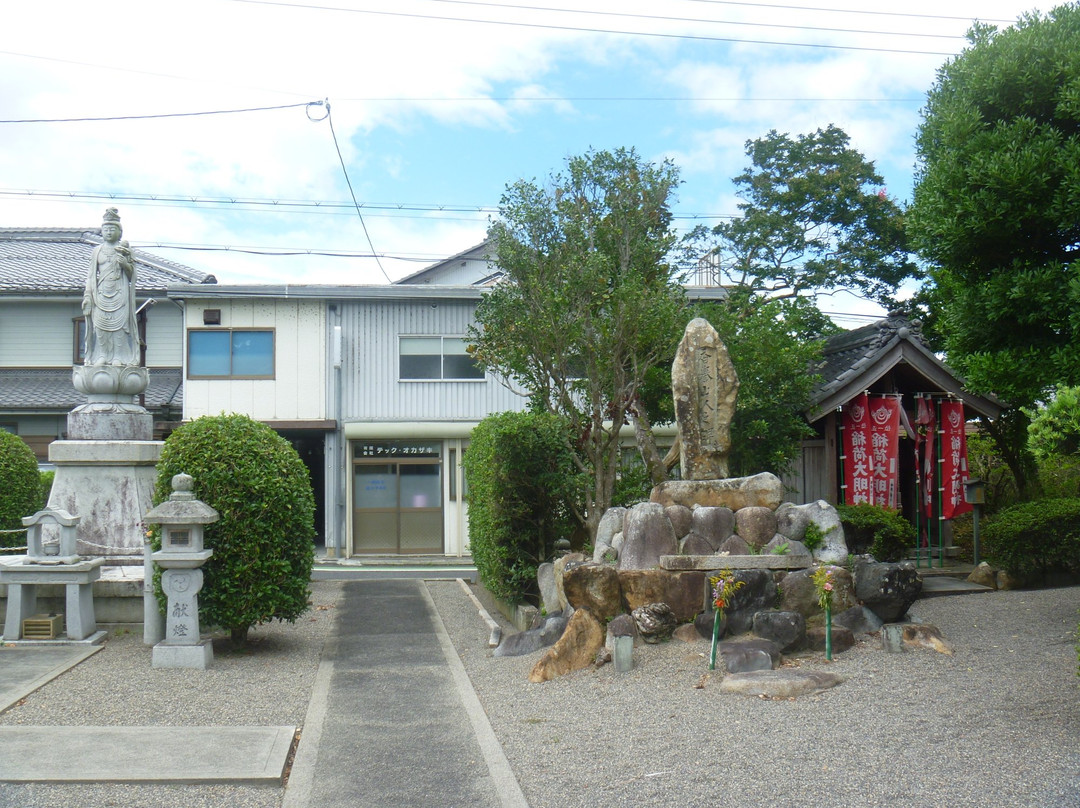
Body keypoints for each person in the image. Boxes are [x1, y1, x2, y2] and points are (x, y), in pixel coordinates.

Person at [83, 208, 138, 366]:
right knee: (100, 326)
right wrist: (87, 296)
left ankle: (119, 357)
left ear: (119, 232)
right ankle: (103, 355)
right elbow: (90, 276)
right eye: (106, 229)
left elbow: (133, 275)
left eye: (112, 229)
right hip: (100, 293)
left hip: (119, 293)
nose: (108, 232)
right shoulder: (96, 251)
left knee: (119, 327)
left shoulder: (125, 250)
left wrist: (125, 264)